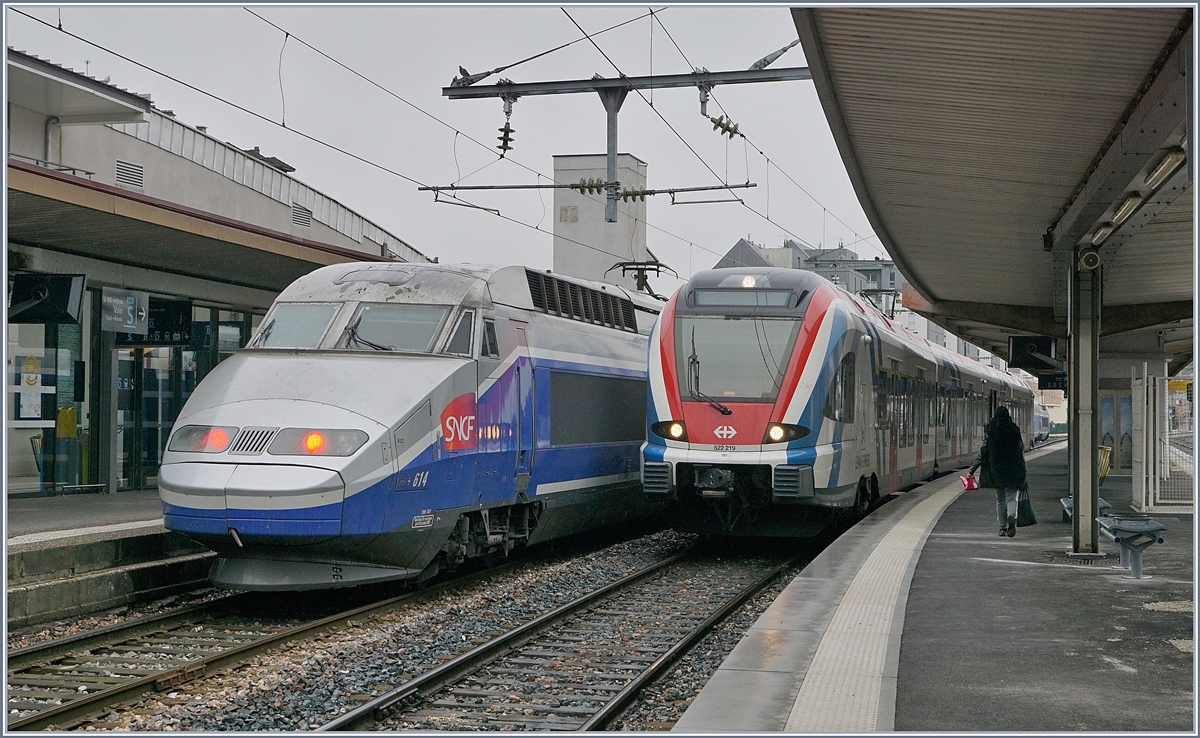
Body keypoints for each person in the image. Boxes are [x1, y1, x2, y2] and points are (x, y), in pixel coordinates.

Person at [969, 406, 1027, 537]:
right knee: (1011, 497)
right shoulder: (1014, 430)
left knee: (1000, 500)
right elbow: (1020, 452)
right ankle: (1012, 517)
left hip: (997, 470)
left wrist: (972, 471)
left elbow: (983, 452)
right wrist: (1024, 472)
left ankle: (1002, 527)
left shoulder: (991, 431)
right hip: (1014, 468)